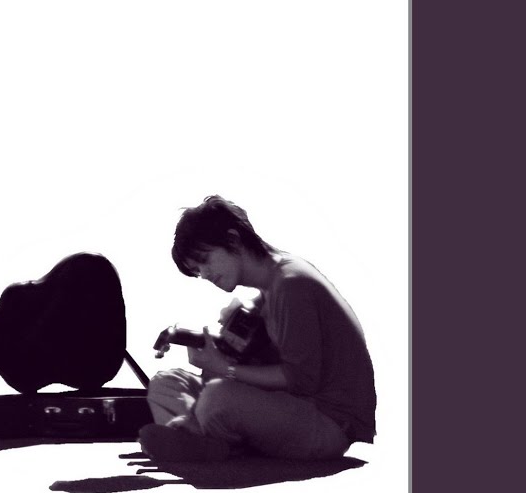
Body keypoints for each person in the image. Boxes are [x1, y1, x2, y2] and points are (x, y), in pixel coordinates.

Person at [139, 195, 377, 463]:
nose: (204, 274)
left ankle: (202, 440)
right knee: (166, 383)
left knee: (217, 398)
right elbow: (249, 355)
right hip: (290, 405)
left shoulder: (291, 284)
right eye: (197, 270)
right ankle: (204, 440)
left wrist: (224, 369)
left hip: (328, 422)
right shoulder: (268, 288)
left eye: (205, 260)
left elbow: (301, 379)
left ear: (232, 239)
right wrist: (192, 341)